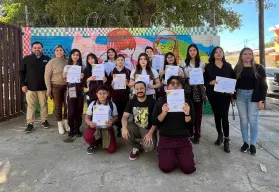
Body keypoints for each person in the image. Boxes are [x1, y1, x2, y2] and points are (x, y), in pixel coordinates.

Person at [152, 76, 196, 174]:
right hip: (166, 138)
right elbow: (154, 121)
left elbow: (191, 124)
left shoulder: (187, 102)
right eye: (172, 84)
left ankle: (178, 155)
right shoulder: (160, 101)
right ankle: (171, 154)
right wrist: (163, 113)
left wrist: (187, 114)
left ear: (182, 88)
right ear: (167, 87)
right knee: (166, 168)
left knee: (188, 169)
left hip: (182, 138)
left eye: (178, 84)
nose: (175, 86)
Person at [234, 47, 267, 155]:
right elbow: (233, 83)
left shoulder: (258, 68)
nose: (248, 56)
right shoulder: (237, 68)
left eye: (250, 54)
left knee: (253, 120)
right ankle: (245, 143)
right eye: (245, 54)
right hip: (240, 96)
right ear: (241, 56)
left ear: (252, 56)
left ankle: (252, 144)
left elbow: (263, 85)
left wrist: (262, 100)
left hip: (254, 96)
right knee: (243, 120)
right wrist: (232, 97)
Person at [204, 46, 236, 153]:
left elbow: (233, 80)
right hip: (213, 95)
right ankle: (219, 135)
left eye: (220, 52)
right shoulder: (208, 67)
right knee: (217, 116)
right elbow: (204, 80)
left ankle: (227, 139)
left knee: (225, 117)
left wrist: (233, 96)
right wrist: (210, 82)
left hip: (225, 96)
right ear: (213, 54)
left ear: (223, 54)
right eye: (216, 52)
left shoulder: (228, 66)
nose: (218, 53)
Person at [19, 41, 51, 134]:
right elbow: (21, 72)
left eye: (39, 47)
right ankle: (30, 124)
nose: (37, 49)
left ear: (42, 49)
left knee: (44, 105)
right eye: (35, 48)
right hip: (30, 88)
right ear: (32, 49)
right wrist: (23, 84)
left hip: (43, 88)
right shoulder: (26, 59)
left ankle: (44, 121)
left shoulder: (47, 59)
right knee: (30, 106)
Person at [122, 81, 157, 160]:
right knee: (124, 131)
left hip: (148, 128)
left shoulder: (153, 101)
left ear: (145, 89)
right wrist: (124, 128)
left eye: (141, 88)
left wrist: (150, 133)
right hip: (136, 126)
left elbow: (156, 120)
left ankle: (144, 141)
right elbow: (124, 116)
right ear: (134, 90)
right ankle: (136, 147)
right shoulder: (132, 101)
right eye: (137, 89)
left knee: (149, 148)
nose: (139, 90)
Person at [84, 85, 118, 154]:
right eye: (100, 93)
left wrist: (112, 121)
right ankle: (93, 144)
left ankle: (101, 140)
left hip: (107, 128)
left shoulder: (112, 104)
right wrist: (89, 122)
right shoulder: (93, 104)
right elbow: (87, 116)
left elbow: (116, 116)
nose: (102, 95)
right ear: (96, 94)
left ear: (107, 94)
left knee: (111, 150)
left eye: (104, 93)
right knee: (88, 136)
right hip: (95, 127)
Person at [183, 44, 207, 144]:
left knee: (198, 113)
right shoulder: (183, 63)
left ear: (197, 51)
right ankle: (189, 132)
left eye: (194, 50)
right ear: (188, 52)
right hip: (188, 89)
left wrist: (203, 72)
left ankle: (197, 134)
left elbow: (204, 78)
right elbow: (183, 77)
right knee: (188, 112)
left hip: (198, 89)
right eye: (190, 50)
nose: (192, 52)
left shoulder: (202, 63)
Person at [44, 45, 69, 135]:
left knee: (67, 105)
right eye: (57, 50)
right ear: (55, 52)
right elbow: (47, 77)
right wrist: (49, 89)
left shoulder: (68, 61)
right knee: (58, 106)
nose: (59, 52)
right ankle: (59, 124)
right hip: (55, 86)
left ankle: (66, 122)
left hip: (67, 86)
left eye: (61, 50)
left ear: (64, 51)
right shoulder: (51, 62)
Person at [62, 49, 85, 141]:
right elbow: (64, 80)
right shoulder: (67, 67)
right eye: (74, 55)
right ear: (71, 55)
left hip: (79, 89)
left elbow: (86, 80)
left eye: (77, 55)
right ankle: (71, 128)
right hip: (71, 89)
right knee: (71, 110)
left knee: (79, 110)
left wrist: (82, 77)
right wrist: (64, 76)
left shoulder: (82, 67)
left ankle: (77, 128)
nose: (75, 57)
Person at [110, 54, 131, 137]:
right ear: (116, 61)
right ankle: (119, 128)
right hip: (116, 95)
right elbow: (108, 83)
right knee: (117, 112)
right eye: (118, 60)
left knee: (125, 112)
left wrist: (128, 83)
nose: (120, 61)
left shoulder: (128, 71)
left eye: (122, 60)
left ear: (124, 61)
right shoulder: (112, 72)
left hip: (125, 95)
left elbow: (131, 84)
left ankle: (124, 127)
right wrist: (111, 85)